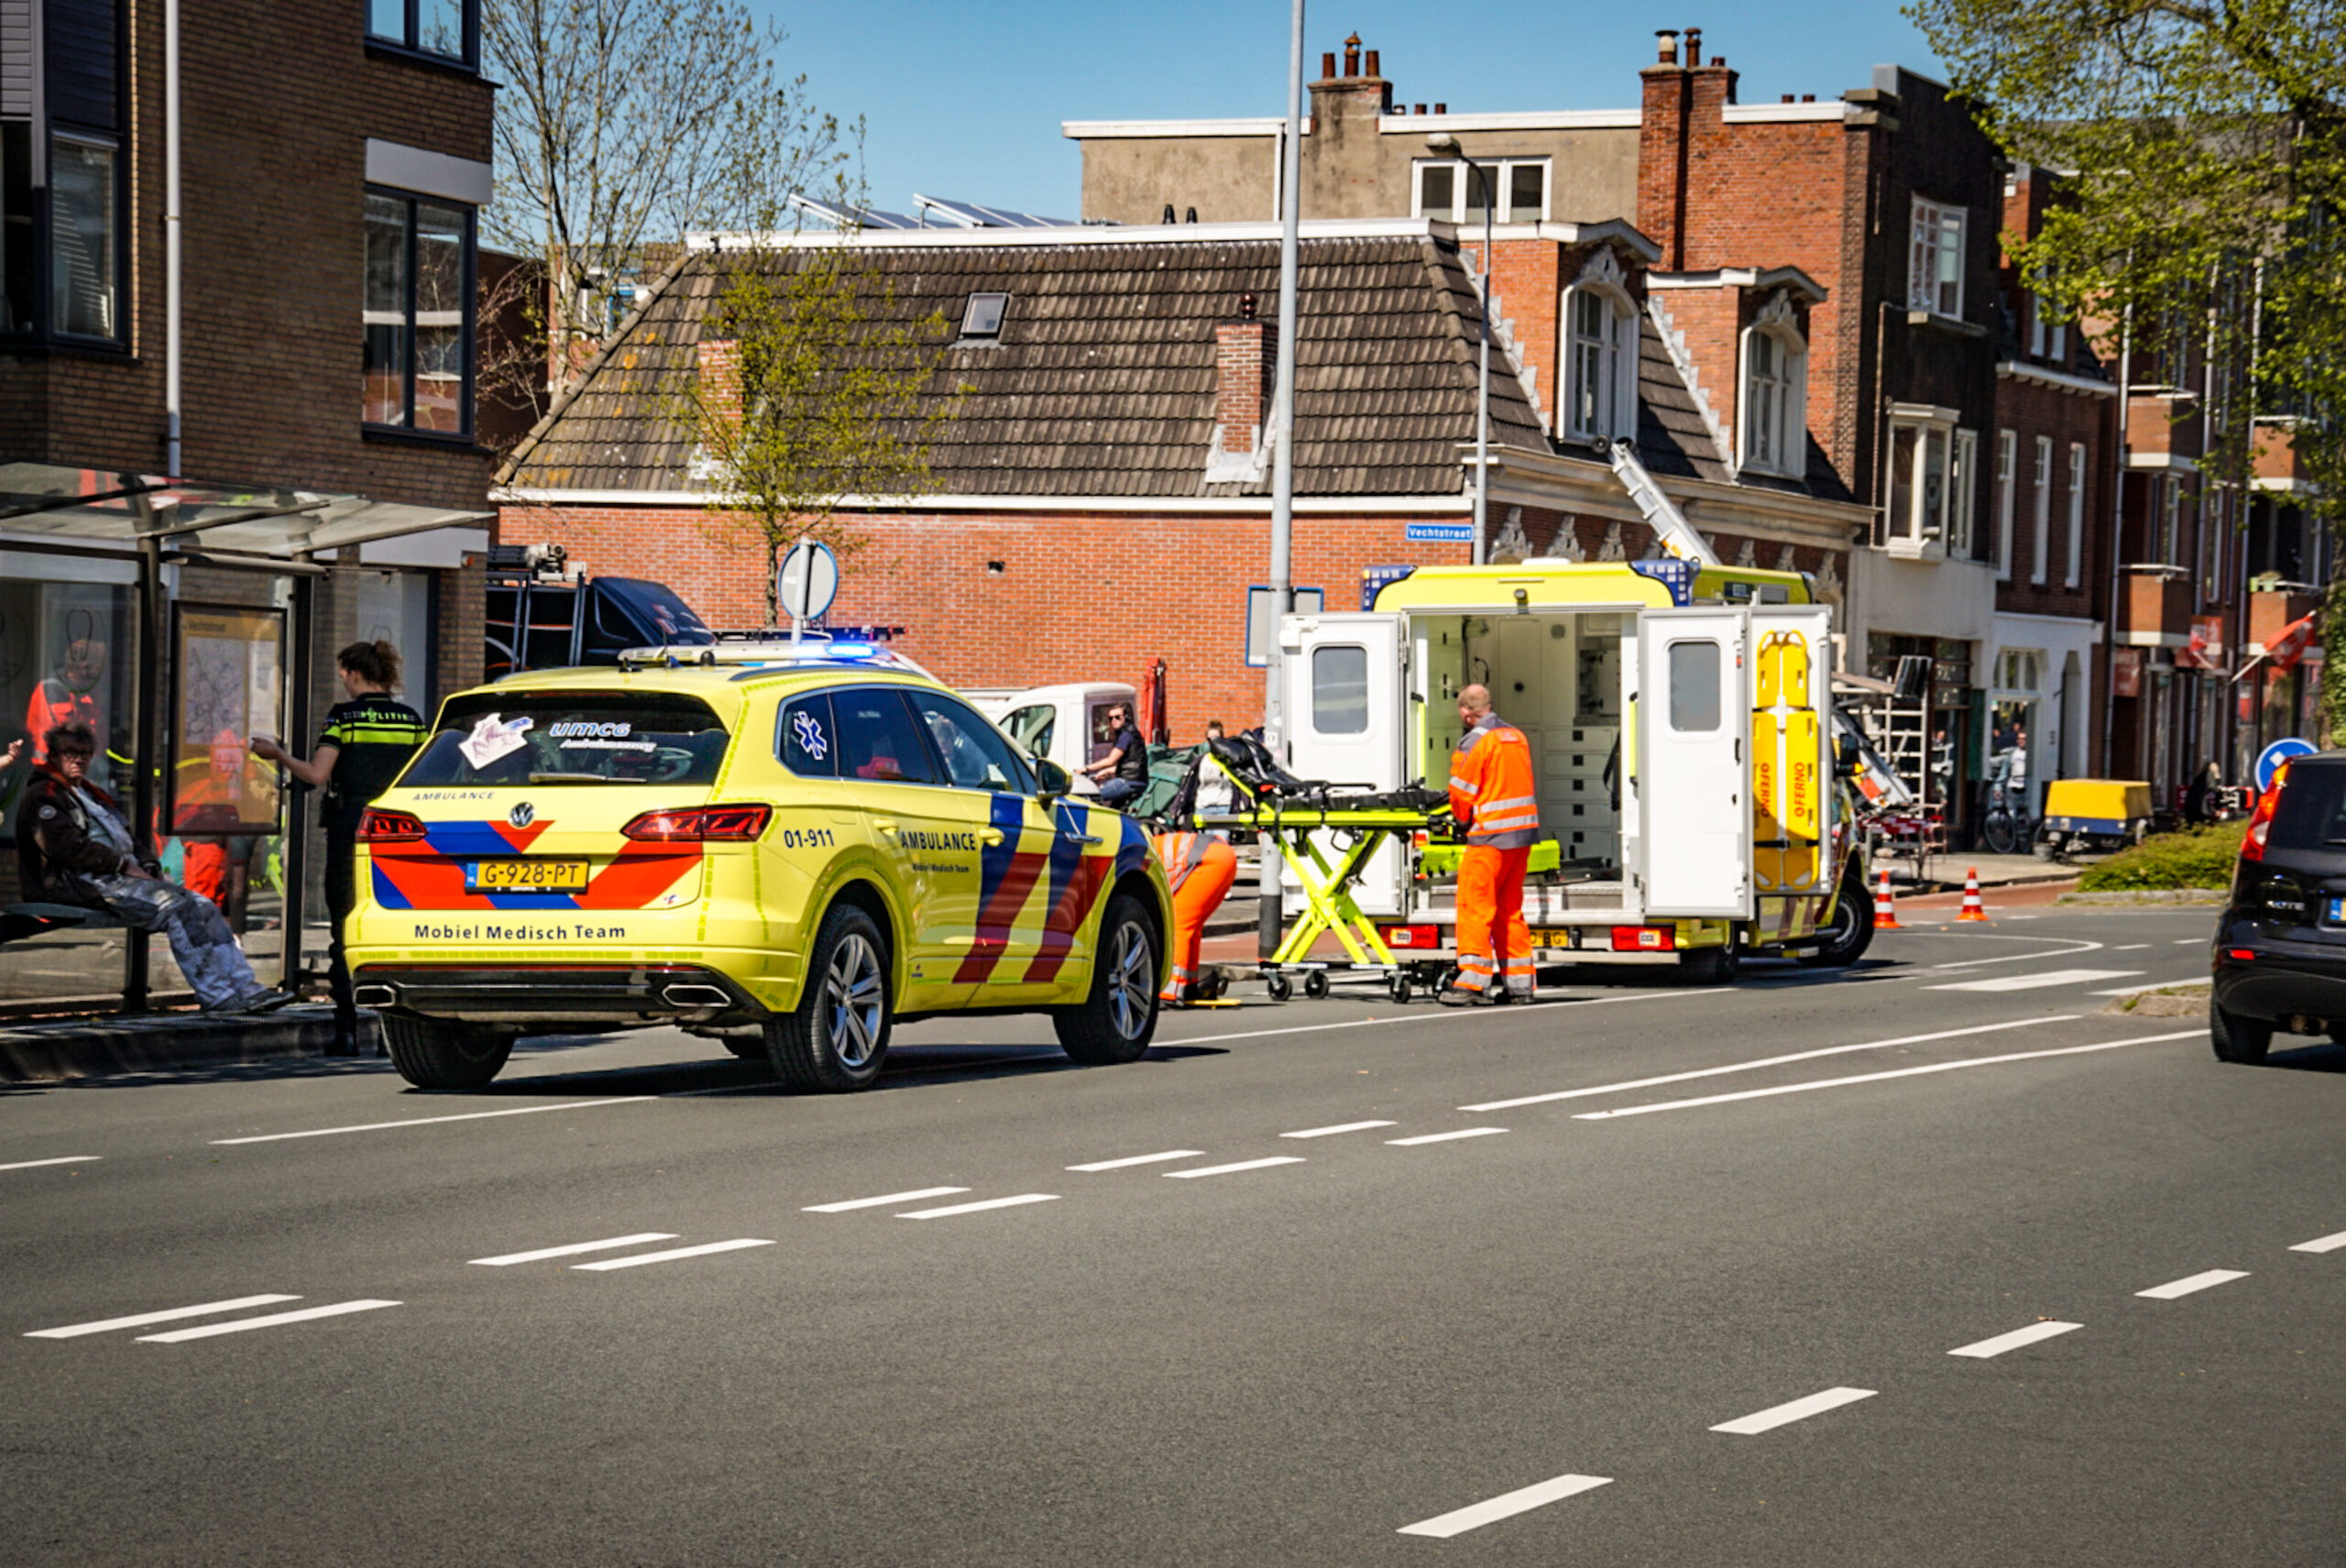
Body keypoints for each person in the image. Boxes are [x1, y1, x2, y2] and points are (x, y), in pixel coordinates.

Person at [16, 723, 287, 1013]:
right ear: (54, 755)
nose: (79, 759)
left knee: (205, 906)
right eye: (70, 753)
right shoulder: (44, 793)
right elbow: (65, 848)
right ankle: (217, 995)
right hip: (79, 883)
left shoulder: (90, 793)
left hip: (117, 878)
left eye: (85, 753)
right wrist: (123, 865)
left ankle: (246, 987)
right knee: (177, 909)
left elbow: (127, 837)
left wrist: (147, 864)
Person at [251, 641, 426, 1056]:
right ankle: (391, 1033)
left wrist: (276, 754)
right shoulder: (411, 720)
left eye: (342, 673)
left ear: (351, 672)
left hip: (352, 830)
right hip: (398, 832)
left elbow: (315, 774)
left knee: (344, 930)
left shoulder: (344, 717)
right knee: (393, 928)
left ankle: (346, 1032)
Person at [1442, 684, 1540, 1006]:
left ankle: (1471, 983)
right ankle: (1520, 985)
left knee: (1475, 908)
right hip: (1520, 838)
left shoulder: (1475, 741)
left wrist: (1460, 821)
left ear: (1465, 712)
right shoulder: (1516, 736)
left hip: (1488, 839)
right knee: (1510, 910)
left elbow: (1461, 792)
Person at [1152, 826, 1238, 1006]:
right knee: (1192, 926)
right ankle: (1188, 985)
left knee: (1178, 925)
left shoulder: (1130, 858)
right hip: (1220, 855)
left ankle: (1171, 991)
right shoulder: (1144, 845)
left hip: (1208, 859)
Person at [1083, 701, 1148, 807]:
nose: (1114, 720)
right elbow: (1130, 764)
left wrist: (1086, 769)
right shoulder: (1132, 732)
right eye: (1111, 718)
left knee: (1091, 797)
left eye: (1117, 717)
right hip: (1137, 781)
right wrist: (1106, 771)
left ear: (1125, 717)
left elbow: (1111, 760)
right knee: (1113, 812)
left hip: (1128, 782)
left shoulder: (1126, 735)